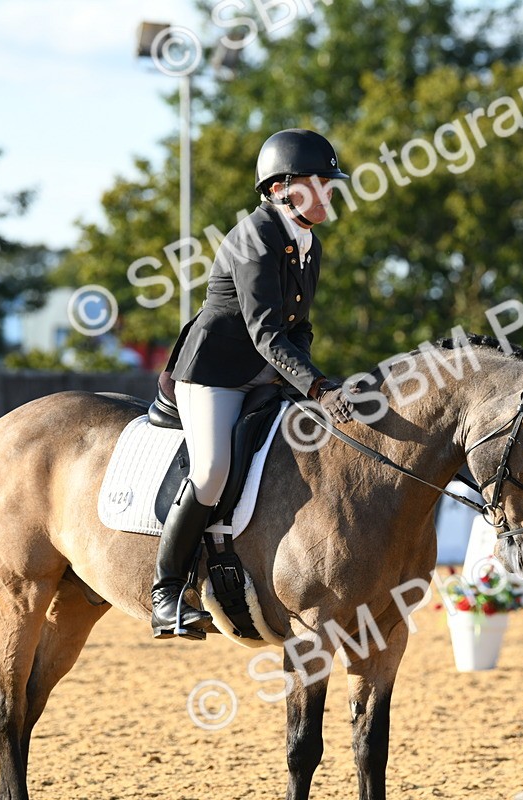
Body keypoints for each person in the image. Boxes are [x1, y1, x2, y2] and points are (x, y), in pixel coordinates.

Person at [150, 128, 354, 640]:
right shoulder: (254, 237)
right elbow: (265, 330)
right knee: (213, 470)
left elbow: (298, 328)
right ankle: (167, 590)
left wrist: (310, 381)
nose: (330, 192)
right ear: (282, 187)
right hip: (214, 373)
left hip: (268, 371)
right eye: (321, 183)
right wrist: (316, 387)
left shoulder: (309, 243)